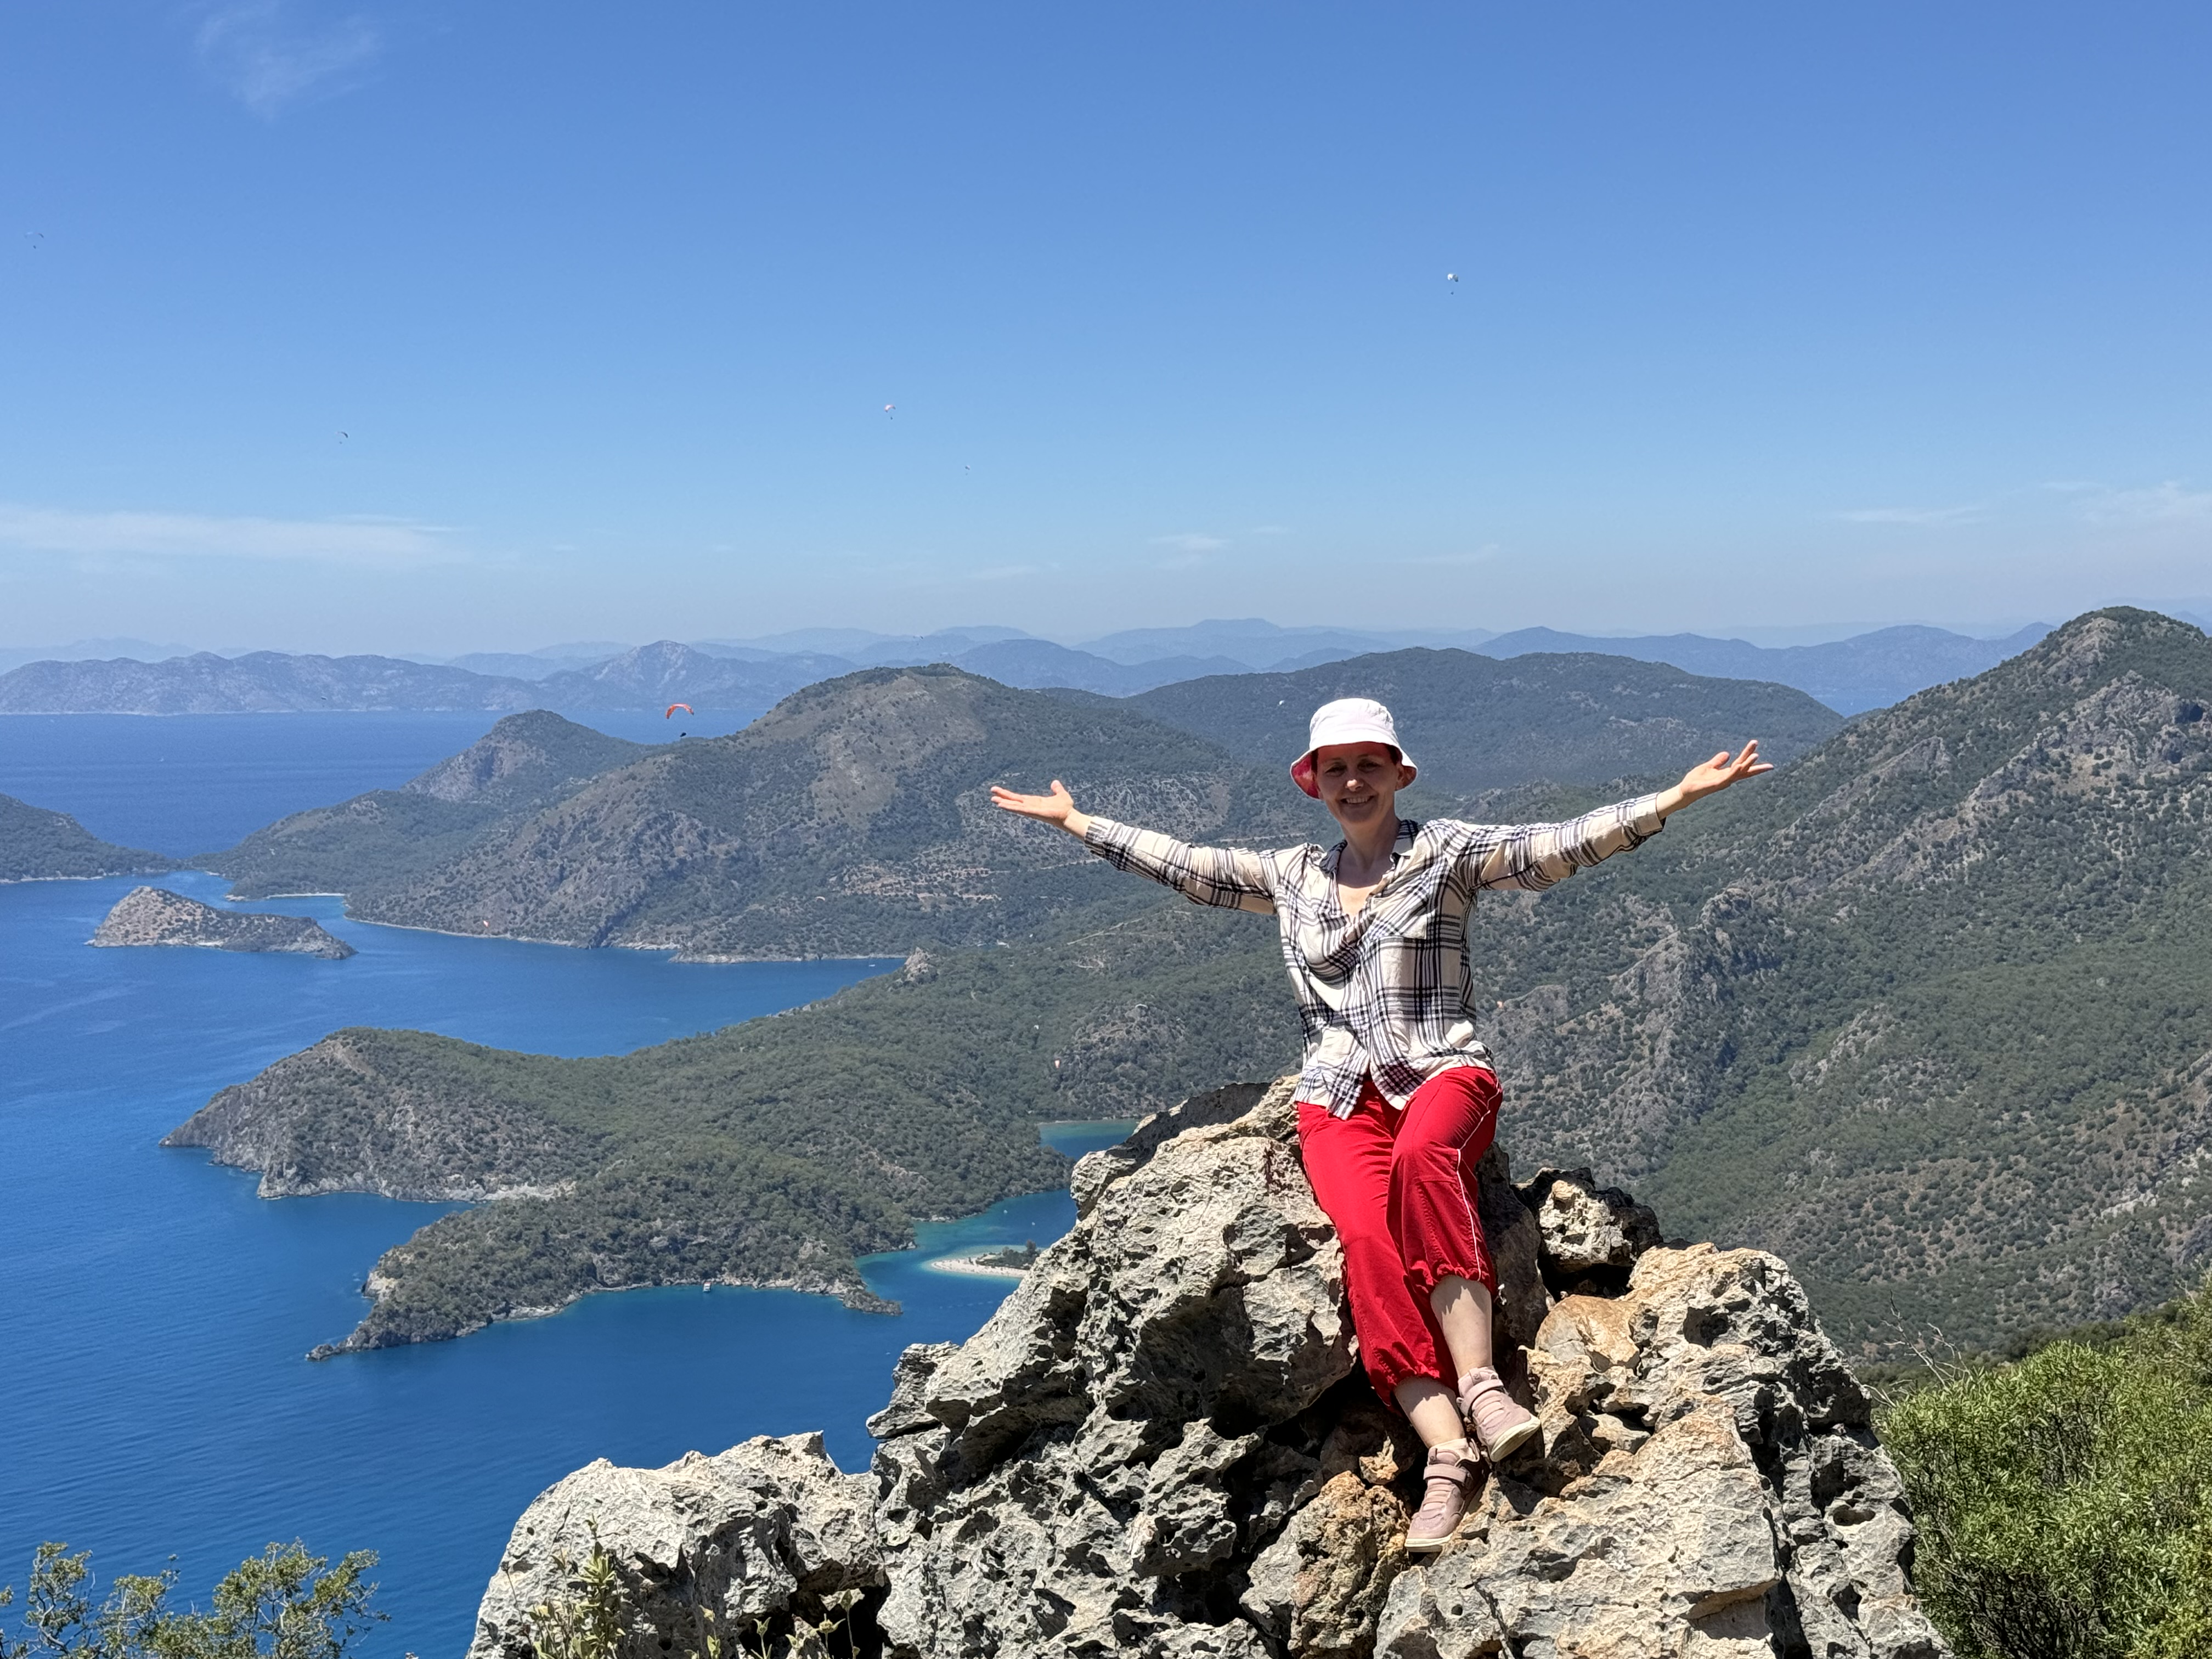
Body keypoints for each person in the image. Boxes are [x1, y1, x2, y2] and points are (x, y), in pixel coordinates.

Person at [991, 697, 1769, 1551]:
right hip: (1336, 1097)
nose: (1353, 781)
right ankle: (1445, 1456)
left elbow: (1555, 846)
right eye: (1335, 768)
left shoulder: (1448, 856)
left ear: (1400, 774)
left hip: (1443, 1071)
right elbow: (1191, 865)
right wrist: (1076, 822)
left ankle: (1481, 1387)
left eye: (1369, 765)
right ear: (1314, 783)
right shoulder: (1293, 879)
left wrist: (1672, 801)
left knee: (1425, 1161)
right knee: (1365, 1240)